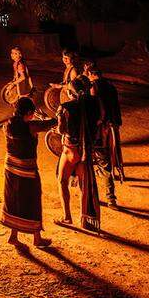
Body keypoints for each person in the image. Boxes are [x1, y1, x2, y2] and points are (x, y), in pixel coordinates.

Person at [2, 97, 54, 249]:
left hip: (10, 167)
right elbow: (50, 123)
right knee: (33, 200)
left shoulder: (8, 124)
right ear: (30, 112)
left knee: (14, 200)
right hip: (26, 170)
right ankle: (37, 238)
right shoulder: (31, 126)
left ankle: (13, 236)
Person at [55, 79, 100, 233]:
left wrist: (59, 126)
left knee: (62, 181)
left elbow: (61, 130)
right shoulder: (94, 104)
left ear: (70, 92)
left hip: (70, 150)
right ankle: (84, 219)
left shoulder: (66, 107)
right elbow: (99, 121)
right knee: (84, 186)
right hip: (86, 151)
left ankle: (67, 216)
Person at [85, 61, 124, 203]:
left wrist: (97, 122)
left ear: (91, 74)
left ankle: (100, 197)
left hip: (102, 131)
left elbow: (98, 108)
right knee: (110, 157)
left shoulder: (94, 87)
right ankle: (111, 196)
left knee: (95, 161)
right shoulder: (110, 86)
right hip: (113, 127)